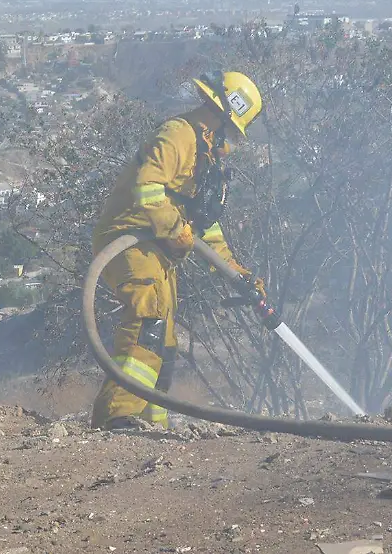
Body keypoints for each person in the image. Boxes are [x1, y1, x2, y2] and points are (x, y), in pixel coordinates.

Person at [90, 70, 267, 430]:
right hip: (129, 239)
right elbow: (147, 188)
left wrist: (237, 272)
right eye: (230, 134)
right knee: (148, 318)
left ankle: (152, 421)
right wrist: (174, 229)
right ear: (217, 116)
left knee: (165, 338)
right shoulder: (178, 135)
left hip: (158, 249)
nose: (230, 144)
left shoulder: (204, 157)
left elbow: (204, 227)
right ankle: (116, 417)